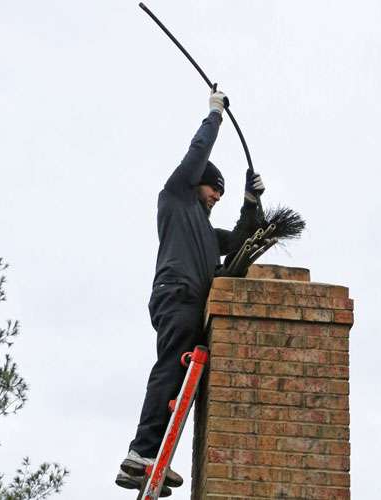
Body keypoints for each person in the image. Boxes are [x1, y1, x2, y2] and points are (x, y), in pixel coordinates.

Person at [116, 87, 265, 496]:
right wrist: (214, 115)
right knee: (170, 365)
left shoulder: (202, 226)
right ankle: (140, 451)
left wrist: (251, 202)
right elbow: (197, 152)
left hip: (186, 300)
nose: (218, 196)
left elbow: (239, 242)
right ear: (198, 183)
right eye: (215, 188)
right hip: (177, 293)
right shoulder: (178, 197)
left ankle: (146, 461)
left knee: (178, 370)